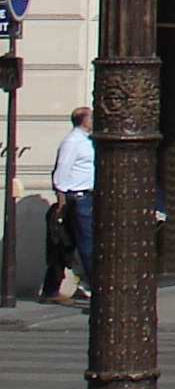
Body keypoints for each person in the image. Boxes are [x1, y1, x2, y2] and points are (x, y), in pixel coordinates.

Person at [46, 105, 94, 301]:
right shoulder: (72, 141)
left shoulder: (87, 140)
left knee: (68, 244)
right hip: (78, 198)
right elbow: (62, 170)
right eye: (92, 117)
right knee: (86, 243)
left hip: (87, 196)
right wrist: (62, 199)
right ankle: (95, 285)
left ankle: (53, 288)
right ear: (83, 120)